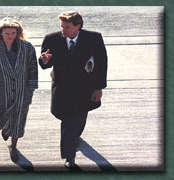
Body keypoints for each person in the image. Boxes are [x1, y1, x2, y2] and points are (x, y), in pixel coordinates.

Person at [39, 11, 107, 169]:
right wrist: (44, 61)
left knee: (78, 121)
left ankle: (72, 146)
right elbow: (45, 63)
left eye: (67, 27)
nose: (63, 30)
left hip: (85, 89)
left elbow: (102, 63)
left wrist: (99, 88)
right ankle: (70, 154)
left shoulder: (94, 38)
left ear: (78, 26)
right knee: (68, 121)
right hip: (62, 89)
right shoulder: (51, 38)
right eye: (61, 26)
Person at [0, 18, 38, 162]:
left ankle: (13, 146)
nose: (11, 36)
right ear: (0, 33)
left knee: (19, 120)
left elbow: (33, 68)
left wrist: (31, 88)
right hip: (0, 91)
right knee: (3, 118)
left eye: (14, 33)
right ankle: (5, 128)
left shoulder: (27, 47)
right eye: (7, 33)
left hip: (22, 90)